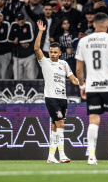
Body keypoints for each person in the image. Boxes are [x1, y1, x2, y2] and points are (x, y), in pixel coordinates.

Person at [76, 13, 108, 165]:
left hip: (92, 86)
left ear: (94, 24)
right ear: (107, 24)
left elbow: (78, 68)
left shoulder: (83, 41)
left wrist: (82, 85)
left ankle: (91, 156)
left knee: (93, 119)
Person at [34, 20, 79, 163]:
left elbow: (72, 78)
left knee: (55, 127)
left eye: (55, 52)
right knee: (61, 124)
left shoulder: (64, 64)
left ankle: (50, 157)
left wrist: (80, 83)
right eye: (51, 52)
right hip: (51, 98)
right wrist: (41, 32)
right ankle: (63, 155)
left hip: (62, 99)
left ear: (60, 53)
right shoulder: (45, 62)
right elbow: (36, 49)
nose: (52, 54)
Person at [9, 12, 38, 80]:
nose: (21, 21)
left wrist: (18, 41)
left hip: (29, 56)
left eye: (22, 19)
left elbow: (31, 38)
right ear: (16, 20)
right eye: (19, 19)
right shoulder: (13, 26)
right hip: (17, 56)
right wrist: (21, 42)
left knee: (31, 77)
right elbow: (9, 39)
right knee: (17, 78)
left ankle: (32, 90)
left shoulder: (28, 25)